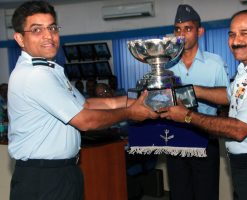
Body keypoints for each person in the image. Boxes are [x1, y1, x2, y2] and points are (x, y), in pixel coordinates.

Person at [7, 1, 158, 200]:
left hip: (63, 172)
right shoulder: (34, 75)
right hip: (44, 178)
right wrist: (131, 112)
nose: (48, 36)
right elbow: (85, 120)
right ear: (20, 39)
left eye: (52, 28)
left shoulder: (50, 71)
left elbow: (87, 104)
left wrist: (140, 99)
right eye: (37, 30)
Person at [160, 9, 247, 200]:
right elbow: (229, 95)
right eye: (232, 34)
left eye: (244, 33)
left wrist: (187, 116)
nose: (236, 40)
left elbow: (239, 129)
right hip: (246, 166)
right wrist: (193, 90)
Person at [165, 4, 229, 200]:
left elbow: (227, 98)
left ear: (200, 31)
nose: (182, 34)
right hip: (174, 138)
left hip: (204, 135)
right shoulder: (166, 65)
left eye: (188, 28)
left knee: (206, 193)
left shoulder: (215, 63)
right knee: (179, 194)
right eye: (178, 29)